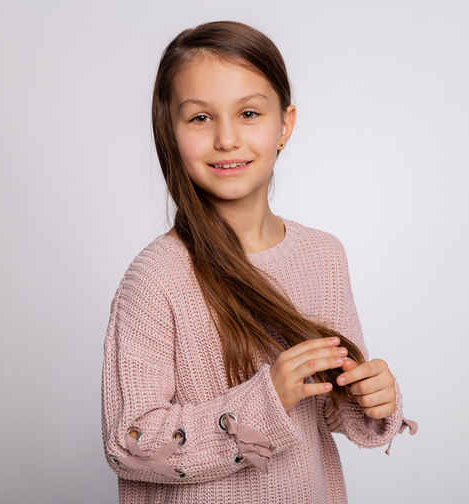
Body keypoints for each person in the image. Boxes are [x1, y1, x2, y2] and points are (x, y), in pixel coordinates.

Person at [101, 20, 416, 504]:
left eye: (249, 113)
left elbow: (331, 408)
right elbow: (130, 443)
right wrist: (266, 398)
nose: (227, 139)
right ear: (170, 129)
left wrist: (369, 397)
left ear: (284, 125)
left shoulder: (323, 256)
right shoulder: (156, 276)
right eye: (201, 118)